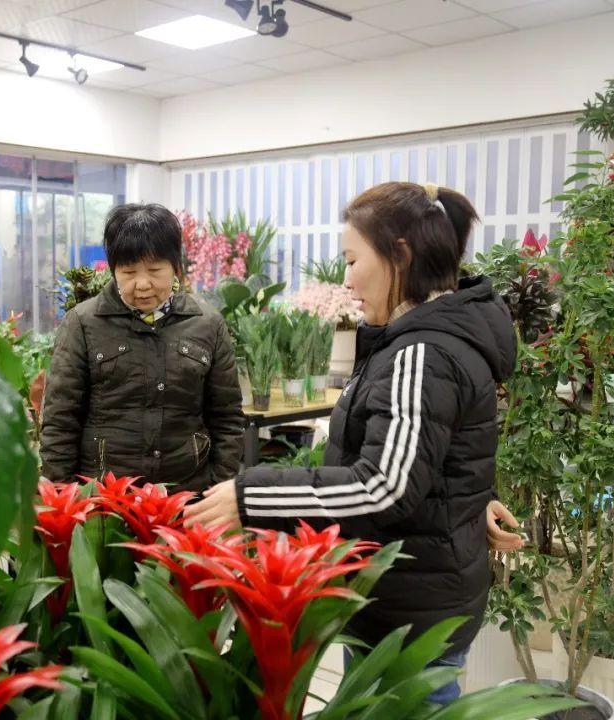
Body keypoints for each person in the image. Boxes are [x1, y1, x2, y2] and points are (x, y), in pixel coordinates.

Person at [185, 181, 521, 705]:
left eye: (351, 260)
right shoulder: (429, 336)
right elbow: (440, 453)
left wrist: (249, 497)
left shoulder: (422, 352)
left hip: (409, 609)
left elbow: (385, 486)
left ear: (400, 256)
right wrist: (470, 501)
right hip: (418, 592)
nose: (346, 280)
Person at [40, 203, 244, 492]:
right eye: (129, 272)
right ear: (113, 270)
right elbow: (60, 418)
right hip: (105, 498)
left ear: (175, 266)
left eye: (154, 270)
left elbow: (227, 418)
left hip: (186, 492)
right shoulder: (84, 324)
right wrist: (61, 494)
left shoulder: (207, 324)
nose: (143, 284)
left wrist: (217, 487)